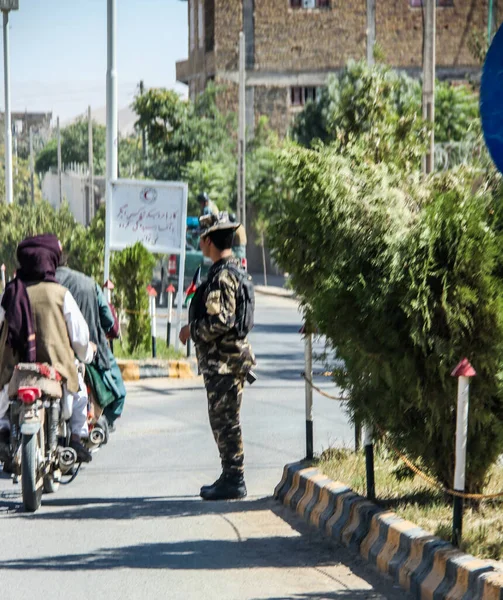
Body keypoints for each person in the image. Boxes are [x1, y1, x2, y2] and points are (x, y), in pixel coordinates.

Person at [179, 212, 256, 501]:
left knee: (226, 421)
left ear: (209, 241)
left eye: (202, 237)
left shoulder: (224, 275)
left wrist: (192, 330)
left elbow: (223, 320)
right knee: (222, 420)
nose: (200, 242)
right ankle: (229, 475)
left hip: (225, 363)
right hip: (224, 362)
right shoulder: (228, 270)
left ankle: (234, 479)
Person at [0, 234, 96, 463]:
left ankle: (4, 433)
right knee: (79, 390)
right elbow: (80, 338)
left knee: (2, 395)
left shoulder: (11, 292)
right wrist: (87, 354)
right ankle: (76, 438)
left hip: (14, 370)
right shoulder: (61, 294)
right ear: (51, 261)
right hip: (57, 368)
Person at [56, 262, 126, 433]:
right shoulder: (88, 283)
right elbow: (109, 322)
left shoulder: (41, 284)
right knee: (119, 393)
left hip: (52, 350)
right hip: (89, 348)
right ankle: (103, 426)